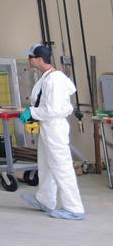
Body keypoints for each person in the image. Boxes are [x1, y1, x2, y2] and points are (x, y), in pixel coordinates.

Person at [19, 44, 84, 220]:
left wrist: (31, 113)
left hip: (54, 128)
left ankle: (74, 208)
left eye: (31, 57)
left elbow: (54, 109)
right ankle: (45, 200)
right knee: (45, 164)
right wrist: (32, 110)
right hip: (47, 127)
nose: (29, 60)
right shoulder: (47, 78)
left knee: (61, 167)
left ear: (39, 59)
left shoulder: (54, 80)